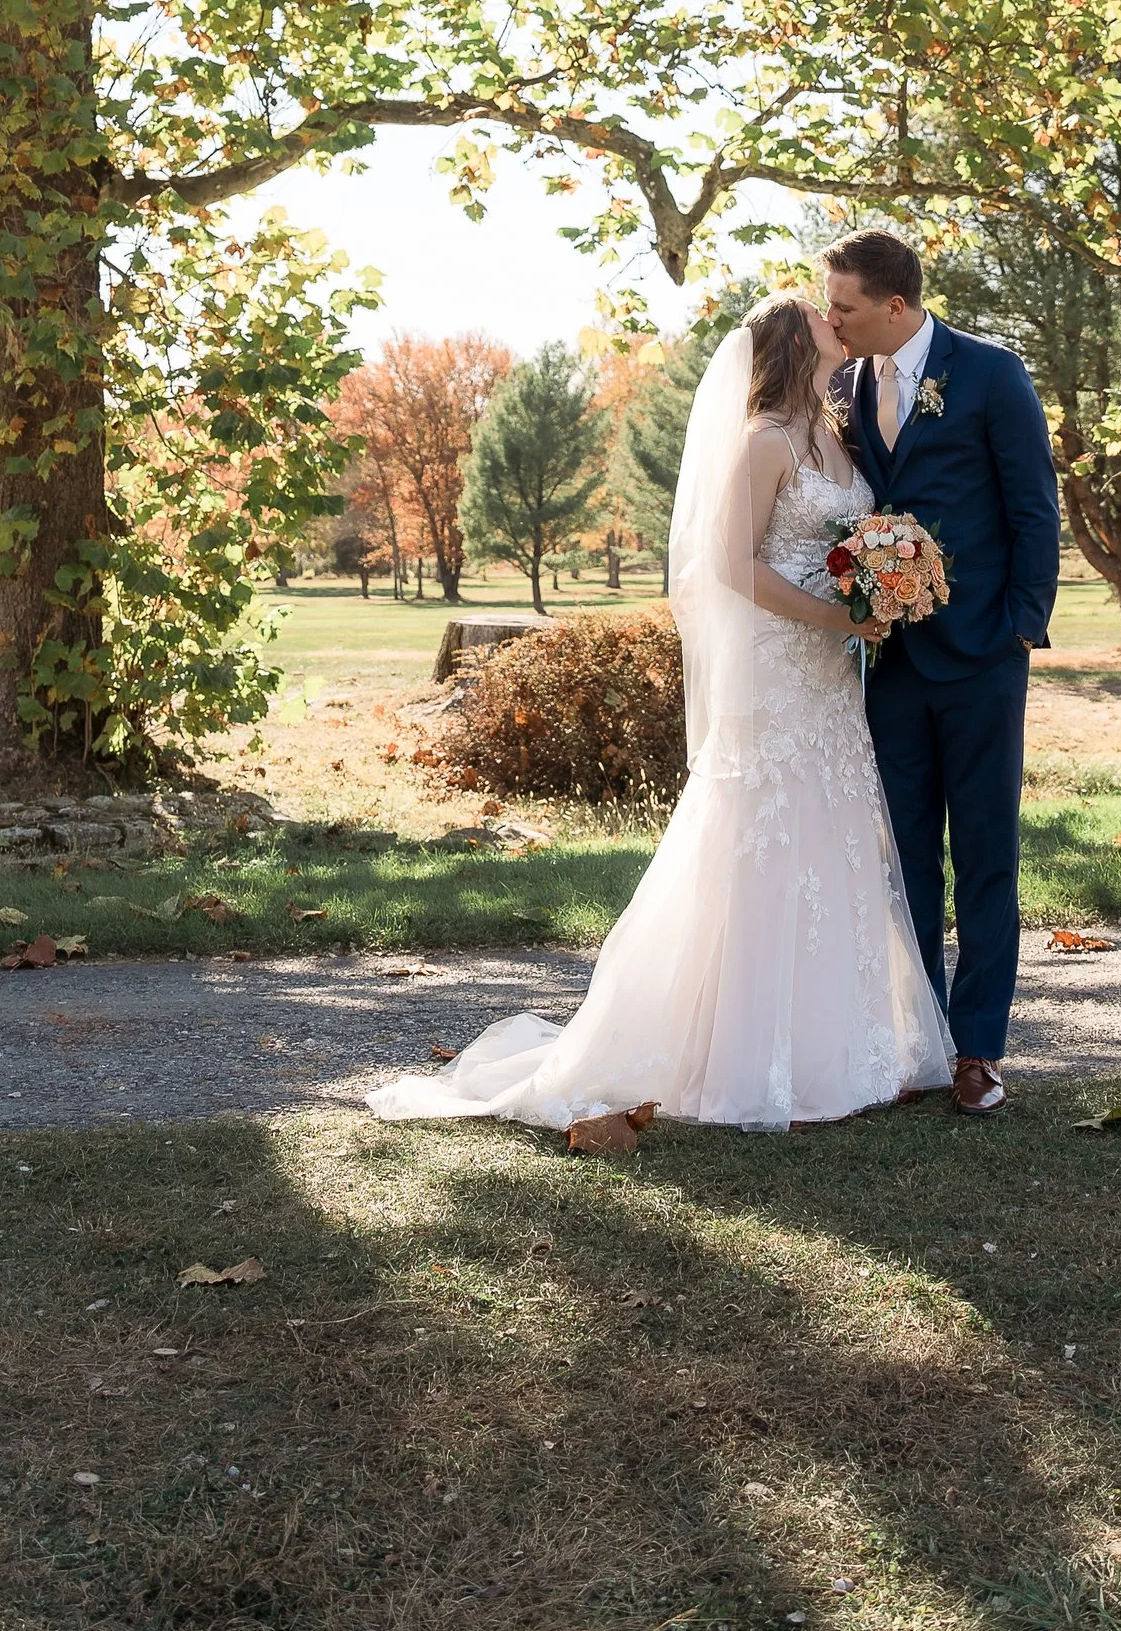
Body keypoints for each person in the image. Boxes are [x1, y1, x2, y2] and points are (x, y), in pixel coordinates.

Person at [365, 294, 952, 1133]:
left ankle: (842, 1049)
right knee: (763, 833)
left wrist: (881, 584)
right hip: (780, 666)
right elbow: (728, 565)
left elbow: (843, 541)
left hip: (828, 673)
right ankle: (736, 1053)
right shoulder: (762, 442)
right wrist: (838, 616)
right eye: (822, 318)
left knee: (834, 830)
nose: (837, 321)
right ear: (792, 344)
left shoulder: (832, 429)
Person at [823, 227, 1061, 1116]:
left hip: (981, 658)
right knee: (906, 856)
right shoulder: (843, 385)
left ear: (894, 305)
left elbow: (1034, 508)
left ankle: (979, 1050)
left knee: (987, 853)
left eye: (844, 306)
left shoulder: (991, 373)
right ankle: (918, 1041)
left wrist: (1019, 630)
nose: (832, 320)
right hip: (885, 662)